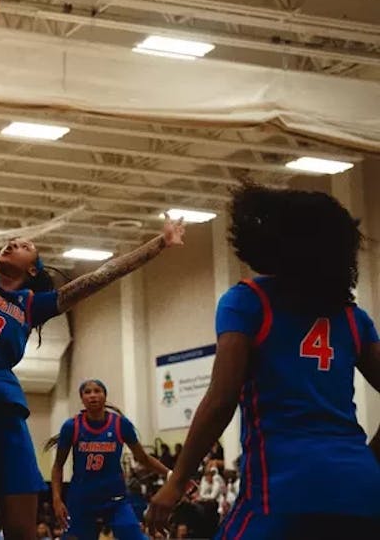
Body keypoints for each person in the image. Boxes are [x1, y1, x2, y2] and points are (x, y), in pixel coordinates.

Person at [0, 86, 185, 539]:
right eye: (12, 241)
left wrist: (158, 245)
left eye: (25, 245)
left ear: (32, 268)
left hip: (7, 415)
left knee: (23, 529)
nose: (14, 242)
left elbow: (101, 277)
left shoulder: (33, 306)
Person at [146, 183, 380, 538]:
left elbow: (222, 398)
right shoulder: (353, 318)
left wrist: (177, 481)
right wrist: (368, 459)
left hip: (284, 487)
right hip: (363, 492)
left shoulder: (248, 301)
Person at [48, 380, 170, 540]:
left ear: (105, 396)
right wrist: (56, 500)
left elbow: (143, 458)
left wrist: (170, 474)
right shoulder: (72, 426)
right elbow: (58, 466)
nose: (93, 395)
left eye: (97, 391)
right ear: (82, 398)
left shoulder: (121, 425)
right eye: (88, 392)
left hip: (115, 498)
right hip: (82, 498)